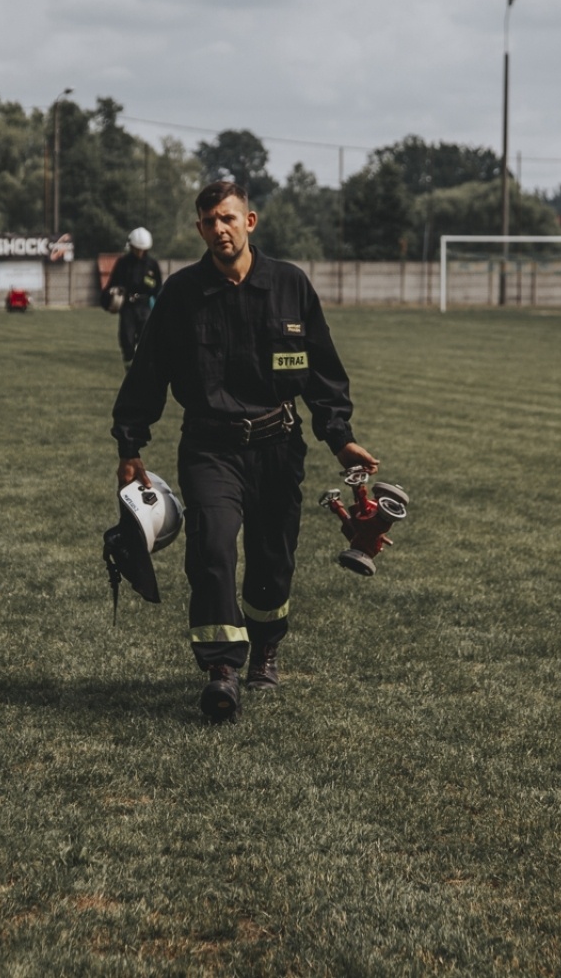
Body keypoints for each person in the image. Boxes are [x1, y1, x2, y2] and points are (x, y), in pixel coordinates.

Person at [111, 180, 379, 724]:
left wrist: (339, 436)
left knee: (272, 561)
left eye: (228, 218)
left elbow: (323, 372)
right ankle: (222, 670)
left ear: (250, 221)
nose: (220, 229)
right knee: (211, 548)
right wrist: (130, 444)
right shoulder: (182, 294)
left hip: (279, 446)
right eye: (209, 221)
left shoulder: (289, 286)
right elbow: (147, 373)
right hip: (209, 447)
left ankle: (266, 647)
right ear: (199, 228)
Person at [103, 227, 164, 367]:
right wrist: (109, 299)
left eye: (143, 249)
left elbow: (158, 288)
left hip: (144, 306)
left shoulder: (152, 265)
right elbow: (112, 284)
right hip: (128, 307)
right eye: (137, 248)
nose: (140, 252)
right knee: (127, 339)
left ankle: (143, 369)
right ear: (131, 247)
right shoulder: (123, 263)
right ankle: (129, 367)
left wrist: (162, 307)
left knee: (146, 340)